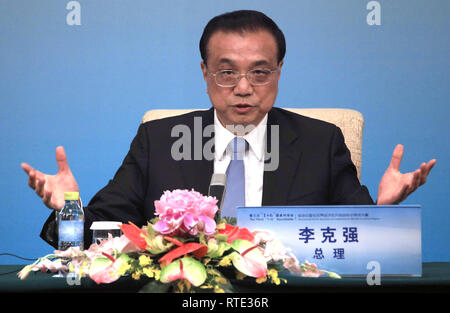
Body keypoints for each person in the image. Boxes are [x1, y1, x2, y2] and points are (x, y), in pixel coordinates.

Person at [21, 10, 436, 248]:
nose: (242, 88)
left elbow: (358, 242)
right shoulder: (160, 140)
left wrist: (383, 214)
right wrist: (66, 210)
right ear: (204, 73)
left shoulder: (320, 142)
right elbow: (96, 235)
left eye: (259, 72)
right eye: (226, 72)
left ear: (278, 73)